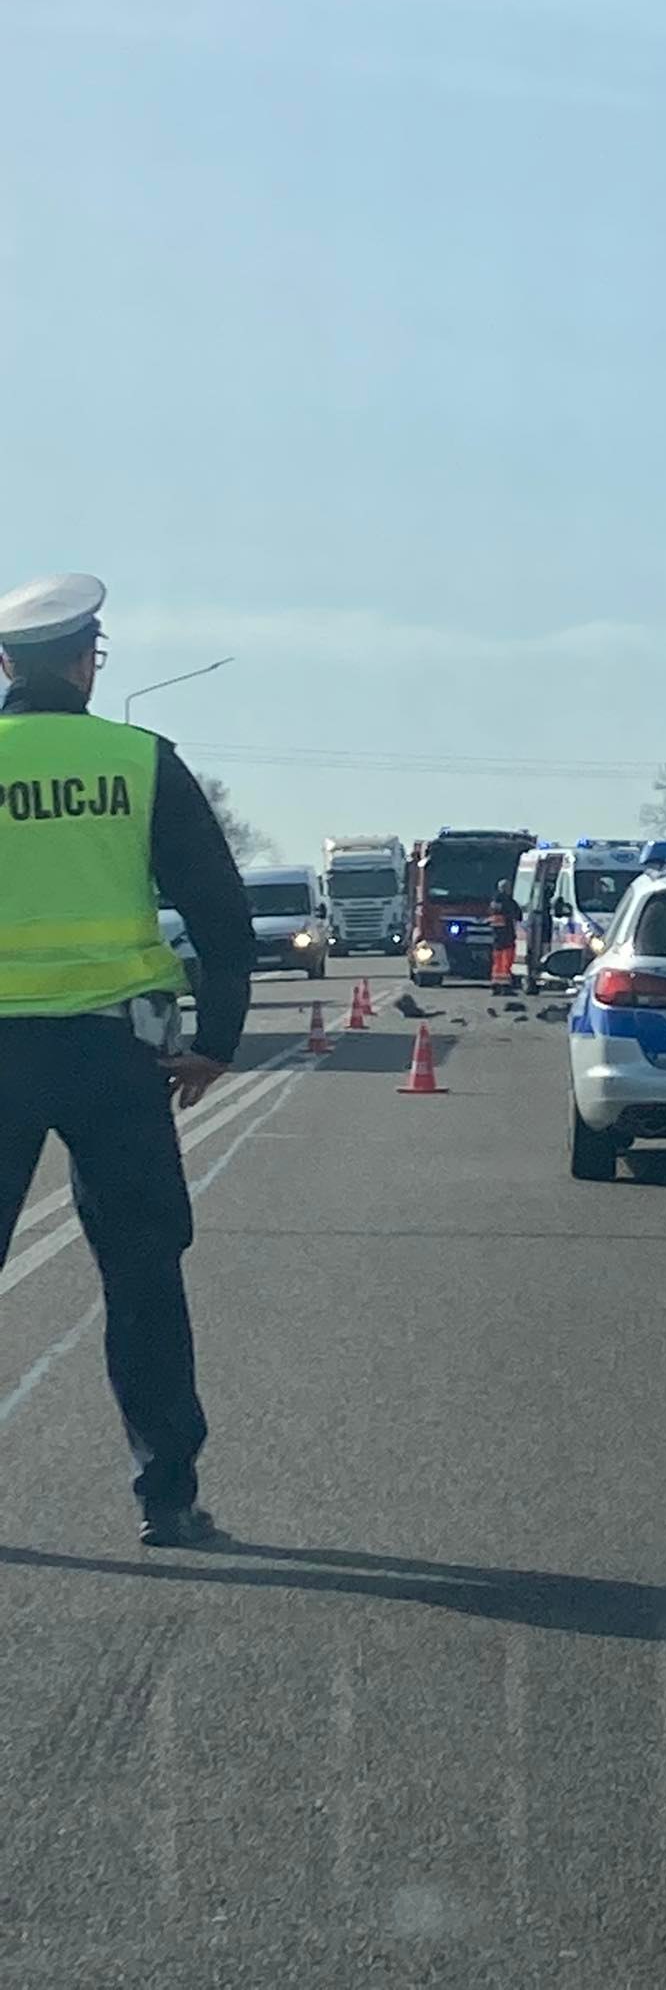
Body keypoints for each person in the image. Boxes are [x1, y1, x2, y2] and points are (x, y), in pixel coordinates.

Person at [0, 574, 255, 1546]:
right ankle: (169, 1497)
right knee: (143, 1273)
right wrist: (215, 1042)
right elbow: (222, 915)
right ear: (80, 663)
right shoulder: (140, 761)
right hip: (121, 1046)